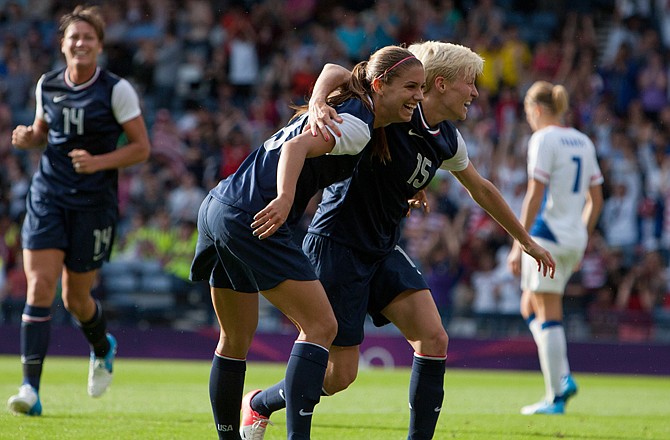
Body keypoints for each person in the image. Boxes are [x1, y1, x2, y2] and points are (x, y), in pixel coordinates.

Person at [242, 41, 555, 439]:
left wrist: (525, 239)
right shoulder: (392, 106)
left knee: (434, 337)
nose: (476, 93)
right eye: (469, 83)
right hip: (338, 243)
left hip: (382, 248)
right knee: (340, 377)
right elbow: (340, 72)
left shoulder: (446, 139)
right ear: (440, 84)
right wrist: (320, 104)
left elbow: (482, 189)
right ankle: (258, 404)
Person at [189, 45, 424, 439]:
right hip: (255, 216)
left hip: (219, 205)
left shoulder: (352, 101)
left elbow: (333, 67)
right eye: (411, 87)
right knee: (321, 326)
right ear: (380, 85)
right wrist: (283, 198)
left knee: (235, 339)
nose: (418, 97)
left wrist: (316, 100)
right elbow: (295, 148)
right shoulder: (358, 124)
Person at [7, 5, 151, 416]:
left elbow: (142, 148)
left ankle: (103, 348)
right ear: (63, 44)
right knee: (39, 287)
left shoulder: (116, 90)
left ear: (99, 46)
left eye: (89, 37)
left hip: (93, 205)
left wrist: (99, 162)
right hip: (49, 195)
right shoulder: (47, 85)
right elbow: (41, 133)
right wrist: (28, 137)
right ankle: (30, 391)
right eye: (75, 37)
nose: (81, 43)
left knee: (76, 299)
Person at [506, 80, 604, 415]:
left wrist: (520, 243)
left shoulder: (543, 138)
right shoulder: (583, 140)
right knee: (528, 307)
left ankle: (555, 395)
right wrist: (581, 236)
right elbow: (597, 199)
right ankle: (561, 376)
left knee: (548, 312)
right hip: (573, 237)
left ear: (534, 110)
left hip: (545, 235)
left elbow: (535, 193)